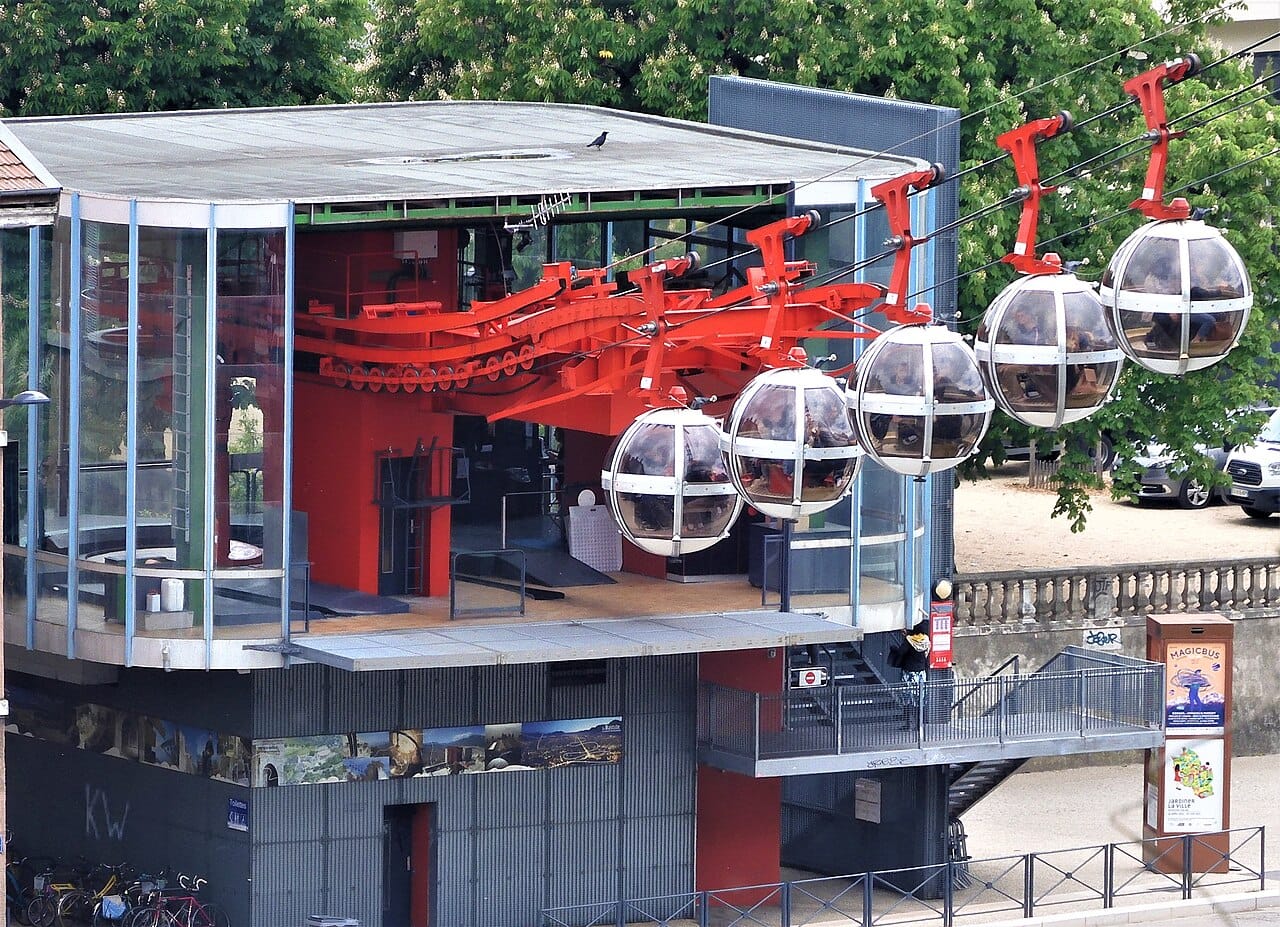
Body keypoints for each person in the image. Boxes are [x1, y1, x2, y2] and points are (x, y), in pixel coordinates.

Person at [890, 620, 932, 730]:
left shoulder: (909, 640)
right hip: (921, 673)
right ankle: (919, 724)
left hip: (909, 673)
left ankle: (908, 724)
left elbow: (901, 652)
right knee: (919, 699)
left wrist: (896, 647)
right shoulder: (925, 639)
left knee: (907, 699)